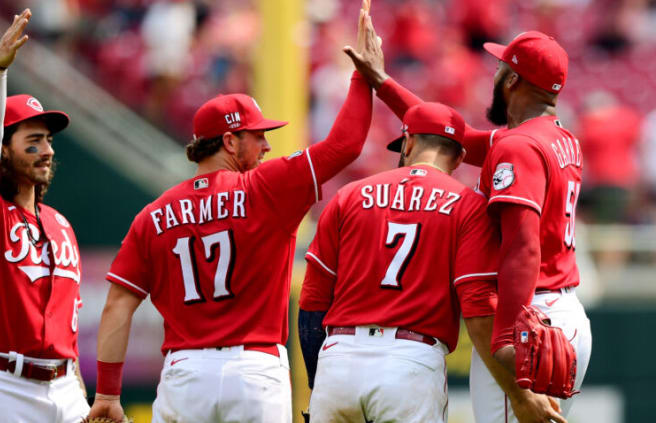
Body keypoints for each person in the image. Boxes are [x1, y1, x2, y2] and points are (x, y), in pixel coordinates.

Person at [86, 4, 376, 422]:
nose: (267, 147)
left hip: (184, 377)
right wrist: (362, 75)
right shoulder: (266, 187)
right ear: (228, 141)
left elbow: (117, 304)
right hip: (253, 371)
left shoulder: (153, 214)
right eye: (258, 136)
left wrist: (109, 393)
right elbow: (345, 145)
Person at [350, 20, 591, 423]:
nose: (493, 74)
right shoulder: (559, 138)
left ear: (513, 79)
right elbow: (448, 133)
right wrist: (381, 81)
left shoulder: (519, 146)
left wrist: (506, 335)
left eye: (500, 67)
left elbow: (522, 246)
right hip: (561, 312)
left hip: (529, 313)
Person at [299, 101, 504, 423]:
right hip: (411, 360)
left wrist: (317, 381)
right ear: (461, 156)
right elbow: (477, 302)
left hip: (339, 358)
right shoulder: (469, 206)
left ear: (408, 142)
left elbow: (312, 301)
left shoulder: (349, 195)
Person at [0, 9, 89, 423]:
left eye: (48, 140)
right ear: (5, 150)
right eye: (33, 140)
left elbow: (70, 326)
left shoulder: (61, 225)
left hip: (65, 389)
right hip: (1, 386)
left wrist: (80, 393)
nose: (47, 149)